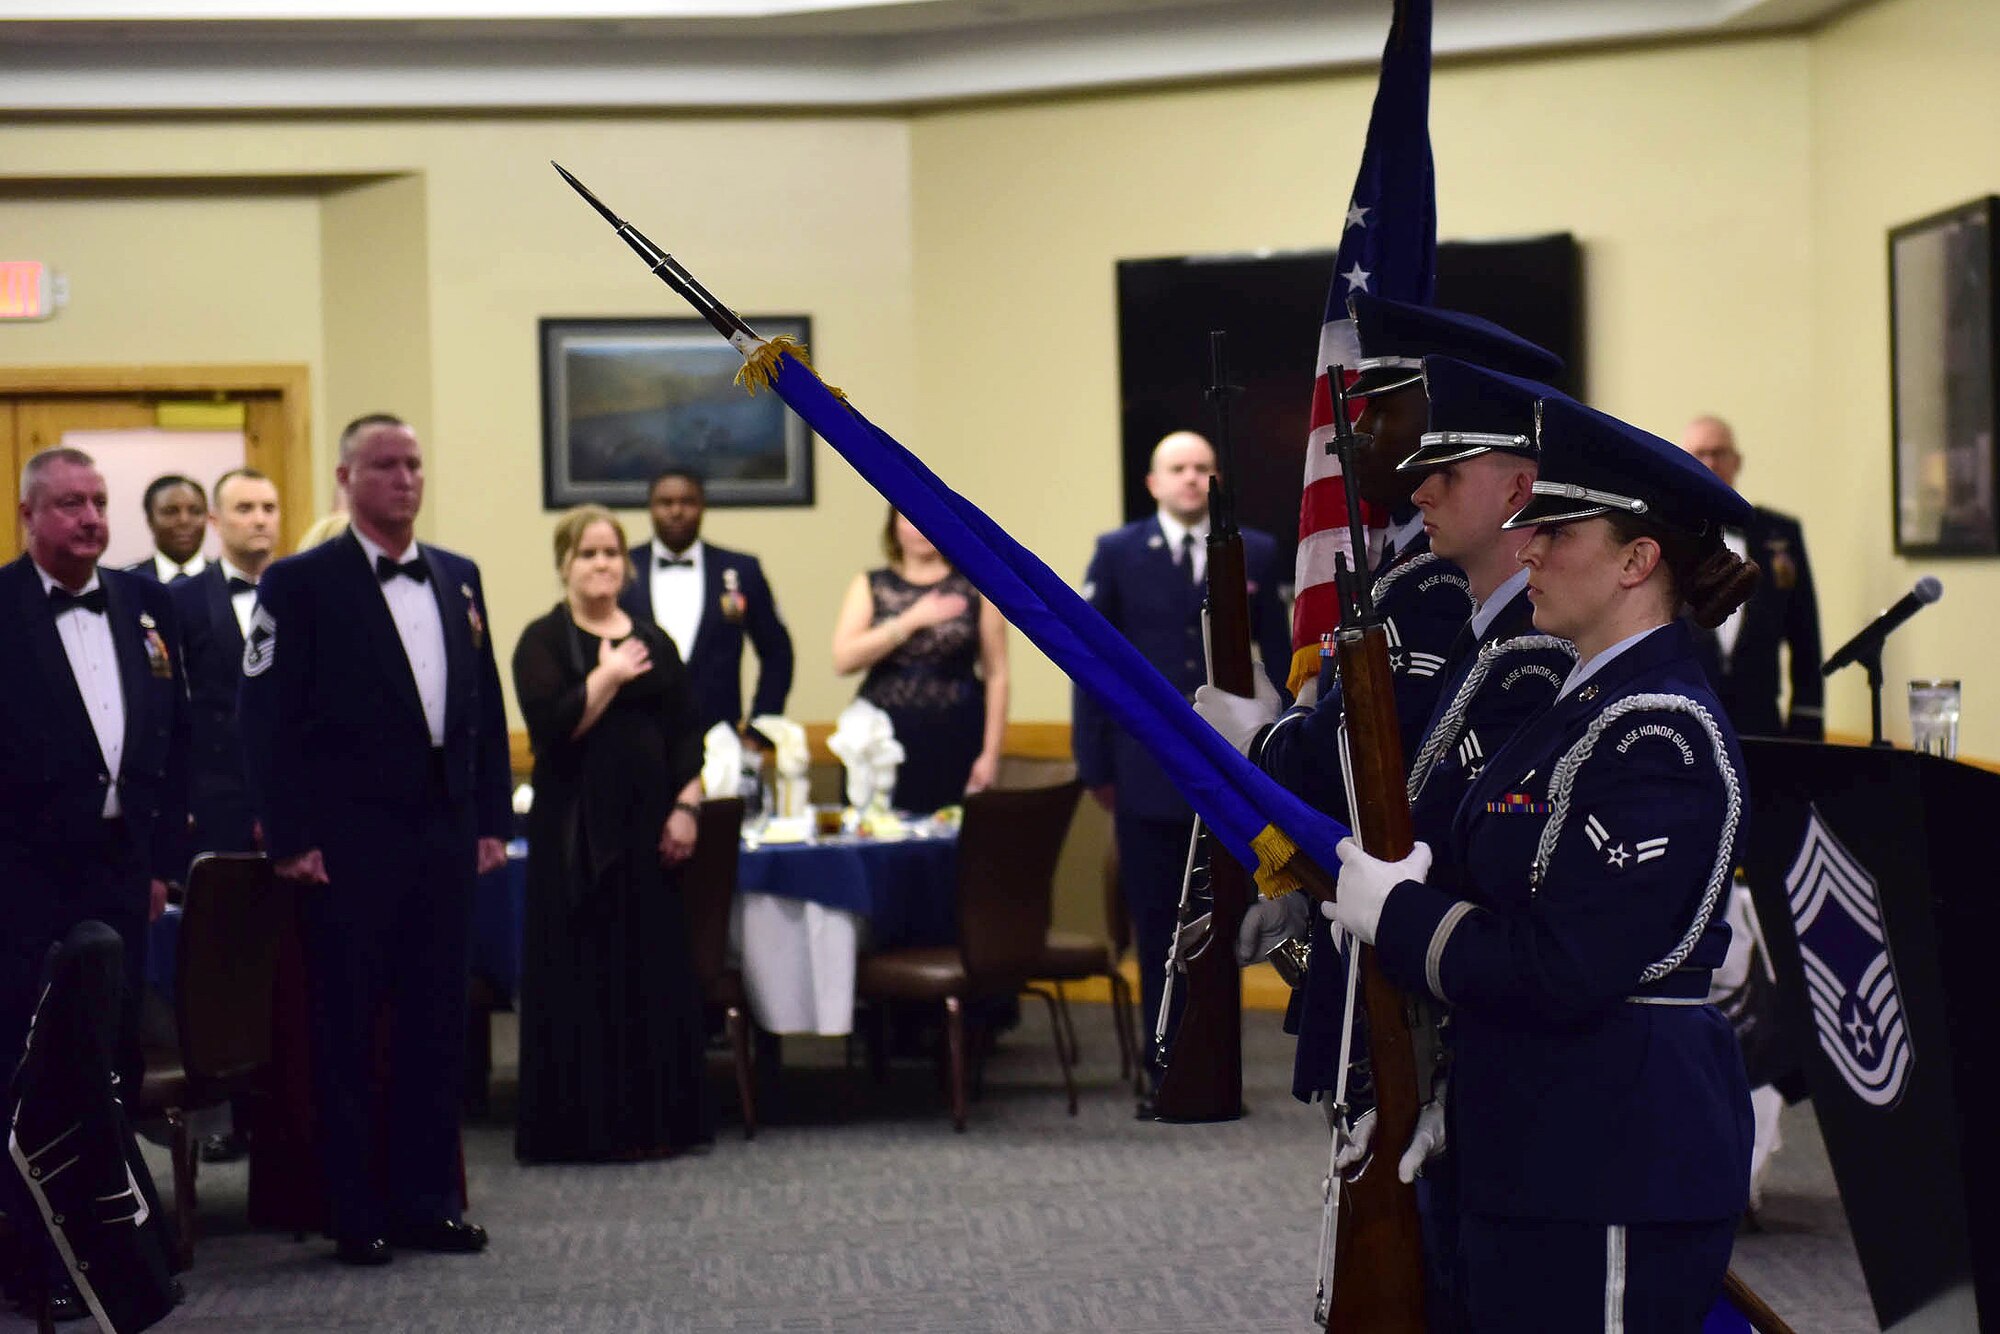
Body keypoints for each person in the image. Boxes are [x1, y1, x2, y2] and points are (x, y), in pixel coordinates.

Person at [1328, 394, 1758, 1330]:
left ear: (1638, 560)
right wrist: (1459, 1095)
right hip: (1535, 1135)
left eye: (1557, 532)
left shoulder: (1660, 733)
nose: (1527, 550)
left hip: (1613, 1153)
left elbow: (1565, 966)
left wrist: (1399, 916)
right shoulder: (1576, 705)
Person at [239, 413, 510, 1267]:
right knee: (348, 1030)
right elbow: (264, 719)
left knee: (437, 1027)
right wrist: (289, 836)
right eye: (385, 466)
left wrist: (493, 819)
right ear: (346, 481)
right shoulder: (300, 582)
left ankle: (428, 1201)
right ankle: (355, 1210)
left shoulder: (459, 577)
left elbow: (485, 711)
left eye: (414, 464)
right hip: (346, 843)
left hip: (443, 838)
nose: (404, 479)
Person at [0, 446, 187, 1320]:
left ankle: (116, 1253)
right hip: (24, 877)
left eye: (99, 502)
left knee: (111, 1060)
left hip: (123, 870)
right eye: (70, 504)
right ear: (30, 515)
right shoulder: (1, 607)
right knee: (30, 1069)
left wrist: (158, 859)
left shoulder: (147, 602)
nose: (90, 519)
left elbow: (172, 734)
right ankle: (32, 1261)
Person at [1074, 429, 1292, 1110]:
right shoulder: (1117, 553)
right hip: (1144, 768)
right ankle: (1158, 1067)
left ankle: (1216, 1065)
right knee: (1156, 922)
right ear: (1153, 482)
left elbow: (1285, 660)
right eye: (1178, 468)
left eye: (1203, 468)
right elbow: (1090, 662)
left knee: (1227, 920)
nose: (1192, 478)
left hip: (1231, 768)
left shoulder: (1255, 551)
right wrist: (1093, 762)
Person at [511, 506, 713, 1163]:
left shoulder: (655, 639)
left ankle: (659, 1126)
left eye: (612, 553)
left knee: (650, 970)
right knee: (581, 976)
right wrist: (607, 676)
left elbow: (688, 737)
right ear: (564, 565)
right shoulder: (542, 640)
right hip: (575, 835)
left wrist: (686, 809)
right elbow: (555, 731)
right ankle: (584, 1130)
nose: (601, 564)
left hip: (650, 830)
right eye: (588, 553)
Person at [170, 464, 282, 1165]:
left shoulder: (304, 592)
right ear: (217, 520)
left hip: (292, 808)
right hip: (211, 806)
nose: (259, 519)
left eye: (269, 506)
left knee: (284, 960)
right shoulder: (180, 600)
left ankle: (279, 1112)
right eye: (244, 507)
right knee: (220, 960)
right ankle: (219, 1111)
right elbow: (173, 713)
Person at [831, 506, 1010, 813]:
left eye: (927, 517)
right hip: (882, 739)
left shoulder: (977, 586)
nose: (920, 528)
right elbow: (843, 660)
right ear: (893, 527)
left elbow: (997, 674)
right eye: (908, 519)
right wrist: (911, 620)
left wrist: (991, 754)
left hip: (957, 734)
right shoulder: (871, 584)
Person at [622, 467, 795, 743]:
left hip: (718, 742)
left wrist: (759, 730)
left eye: (687, 502)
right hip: (635, 741)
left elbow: (777, 652)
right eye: (665, 502)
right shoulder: (622, 570)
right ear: (651, 507)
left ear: (703, 506)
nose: (676, 511)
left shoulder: (741, 570)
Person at [1678, 415, 1823, 740]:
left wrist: (1807, 720)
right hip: (1687, 722)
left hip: (1761, 725)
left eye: (1719, 453)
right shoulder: (1669, 536)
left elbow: (1805, 638)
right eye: (1699, 454)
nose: (1711, 462)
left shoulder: (1780, 534)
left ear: (1737, 461)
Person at [125, 473, 210, 583]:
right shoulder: (127, 583)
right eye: (171, 512)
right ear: (150, 520)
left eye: (195, 511)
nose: (184, 521)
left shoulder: (228, 581)